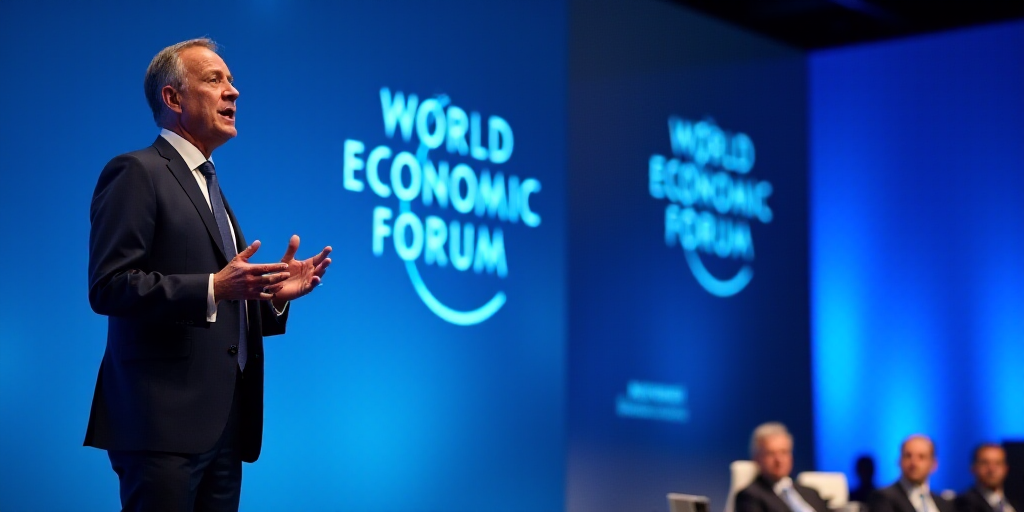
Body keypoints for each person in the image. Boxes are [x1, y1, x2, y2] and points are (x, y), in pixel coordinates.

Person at [85, 38, 332, 512]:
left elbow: (224, 300)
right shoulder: (136, 172)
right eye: (215, 80)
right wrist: (214, 286)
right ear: (173, 98)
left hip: (223, 426)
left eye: (232, 81)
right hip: (162, 424)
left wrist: (271, 296)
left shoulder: (209, 184)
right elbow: (109, 285)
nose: (233, 92)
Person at [736, 422, 831, 512]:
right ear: (757, 458)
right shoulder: (749, 496)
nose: (779, 460)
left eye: (784, 452)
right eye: (771, 454)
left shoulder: (811, 493)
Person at [869, 435, 955, 512]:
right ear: (899, 461)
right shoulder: (884, 498)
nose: (914, 463)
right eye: (908, 456)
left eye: (921, 457)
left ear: (934, 464)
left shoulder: (944, 503)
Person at [956, 444, 1021, 512]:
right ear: (973, 468)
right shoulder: (963, 504)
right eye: (985, 463)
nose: (992, 469)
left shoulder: (1016, 503)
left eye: (998, 463)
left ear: (1006, 468)